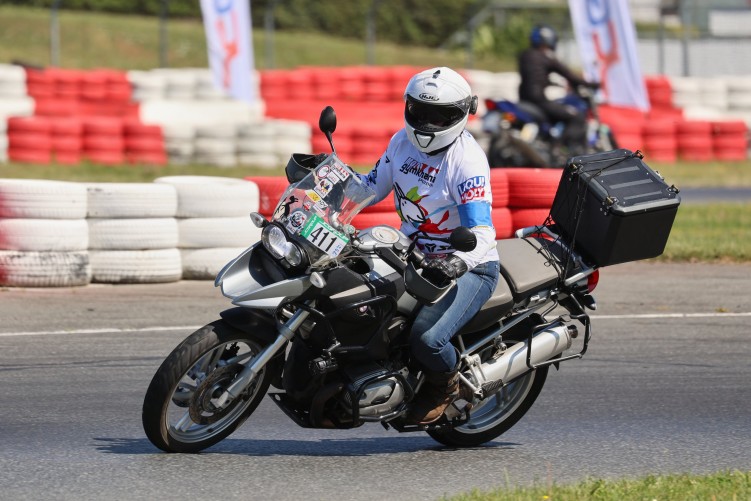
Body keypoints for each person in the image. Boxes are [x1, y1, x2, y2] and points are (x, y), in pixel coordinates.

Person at [358, 67, 500, 425]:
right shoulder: (400, 143)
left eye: (441, 116)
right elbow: (371, 187)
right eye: (420, 112)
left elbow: (481, 233)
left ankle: (446, 384)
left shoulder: (467, 162)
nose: (428, 123)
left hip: (469, 266)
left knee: (428, 339)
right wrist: (325, 182)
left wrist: (456, 263)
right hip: (411, 252)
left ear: (463, 114)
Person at [518, 24, 598, 156]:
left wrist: (549, 82)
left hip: (524, 99)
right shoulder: (545, 56)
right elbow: (568, 74)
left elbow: (534, 76)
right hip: (538, 101)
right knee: (576, 116)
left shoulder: (525, 55)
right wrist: (589, 84)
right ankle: (558, 147)